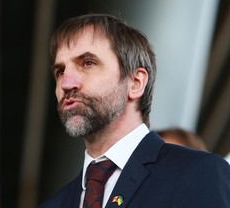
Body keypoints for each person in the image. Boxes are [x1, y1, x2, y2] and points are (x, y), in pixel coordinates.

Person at [39, 13, 230, 208]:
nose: (66, 83)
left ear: (136, 83)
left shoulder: (199, 174)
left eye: (88, 63)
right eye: (60, 71)